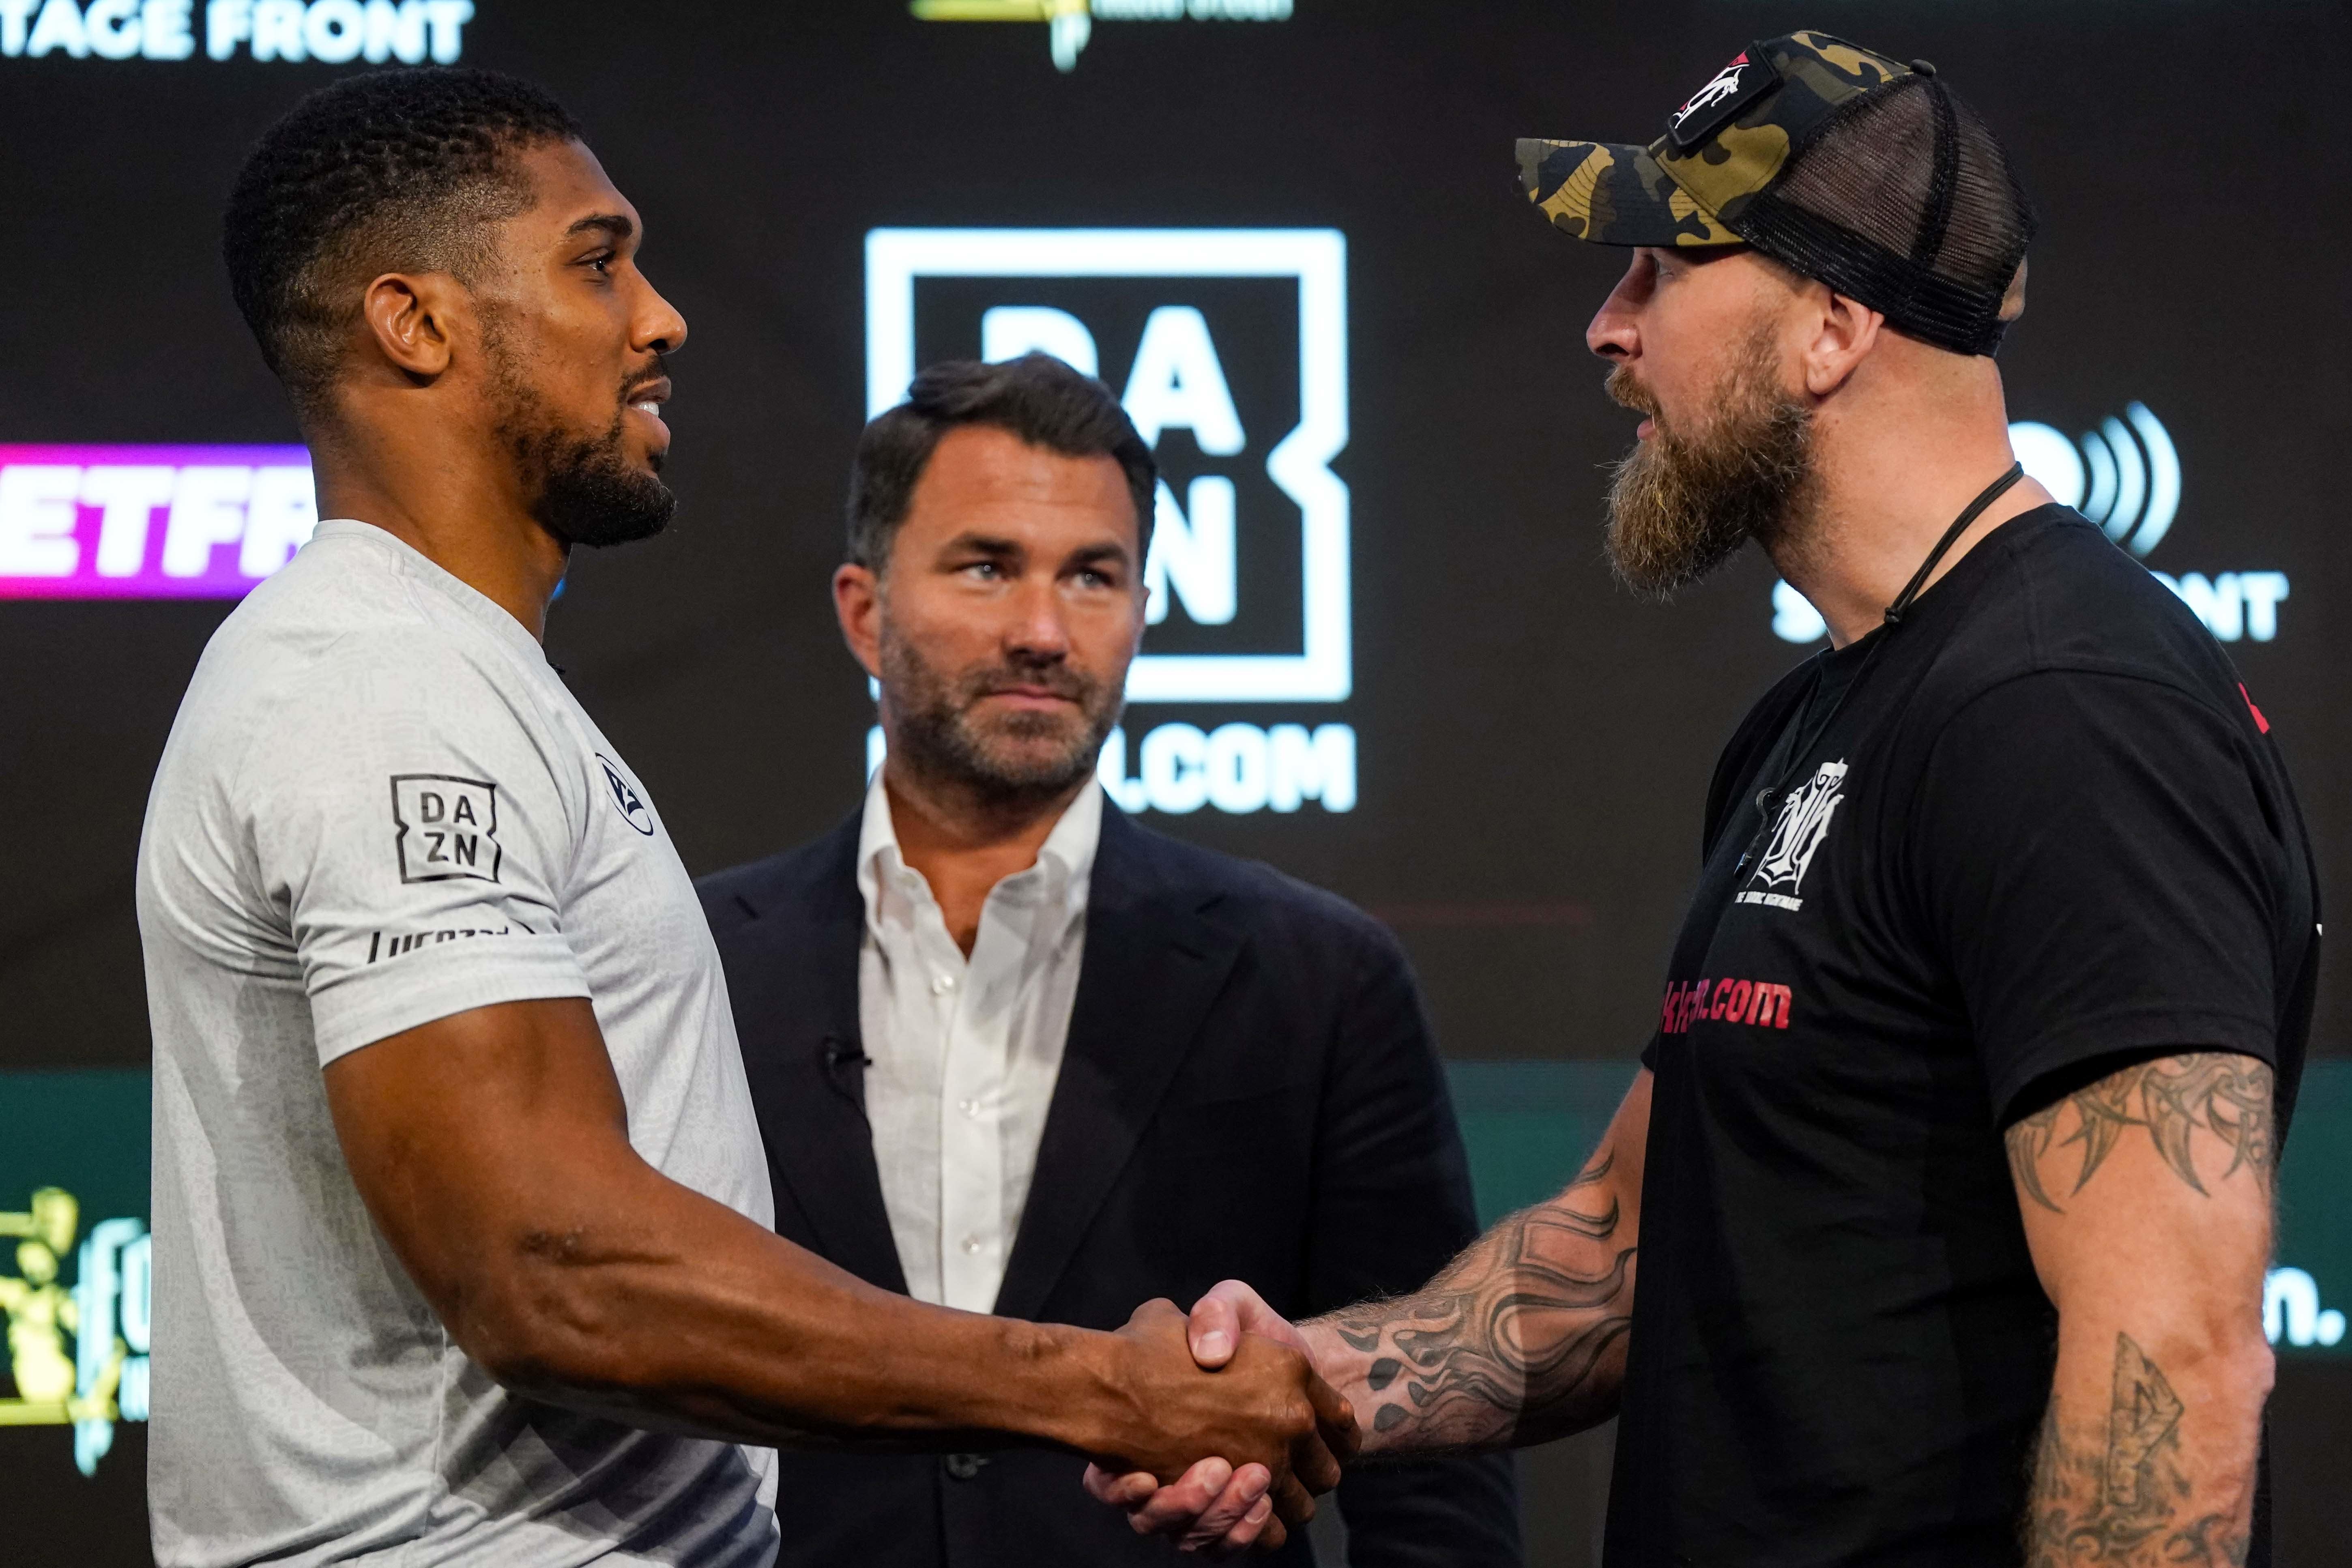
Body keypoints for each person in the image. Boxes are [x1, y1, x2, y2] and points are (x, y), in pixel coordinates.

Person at [1096, 30, 2315, 1566]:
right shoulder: (1817, 718)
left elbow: (2175, 1367)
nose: (1608, 330)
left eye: (1662, 268)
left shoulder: (2067, 711)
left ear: (1829, 324)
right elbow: (1624, 1242)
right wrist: (1311, 1381)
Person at [137, 69, 1350, 1568]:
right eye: (597, 259)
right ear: (417, 322)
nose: (661, 317)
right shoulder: (378, 690)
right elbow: (549, 1265)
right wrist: (1100, 1384)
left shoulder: (456, 680)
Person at [697, 354, 1523, 1567]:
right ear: (864, 609)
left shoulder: (1318, 975)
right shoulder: (695, 961)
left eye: (1094, 575)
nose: (1043, 631)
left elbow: (1435, 1457)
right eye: (988, 567)